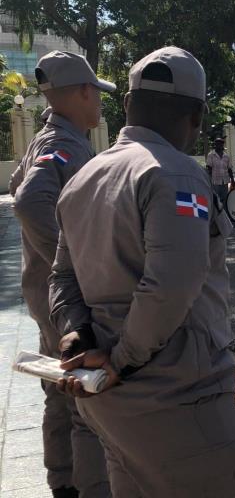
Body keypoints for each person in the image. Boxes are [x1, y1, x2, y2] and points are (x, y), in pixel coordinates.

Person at [50, 47, 235, 497]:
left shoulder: (84, 176)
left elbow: (62, 278)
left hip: (111, 405)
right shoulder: (177, 174)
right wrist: (121, 361)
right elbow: (171, 284)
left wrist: (77, 331)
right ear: (197, 117)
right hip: (180, 403)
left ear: (125, 106)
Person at [11, 50, 112, 498]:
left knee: (58, 389)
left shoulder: (47, 139)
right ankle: (82, 487)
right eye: (97, 95)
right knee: (82, 404)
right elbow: (29, 199)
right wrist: (69, 265)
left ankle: (62, 482)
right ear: (84, 91)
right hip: (62, 302)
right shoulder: (64, 145)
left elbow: (17, 183)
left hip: (42, 296)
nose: (100, 104)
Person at [206, 137, 234, 201]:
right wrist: (209, 180)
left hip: (225, 181)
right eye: (217, 144)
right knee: (216, 199)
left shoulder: (226, 156)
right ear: (215, 145)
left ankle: (223, 210)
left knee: (224, 199)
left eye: (221, 144)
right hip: (215, 182)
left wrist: (232, 179)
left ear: (222, 145)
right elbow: (209, 168)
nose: (219, 145)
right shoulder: (211, 155)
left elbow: (229, 169)